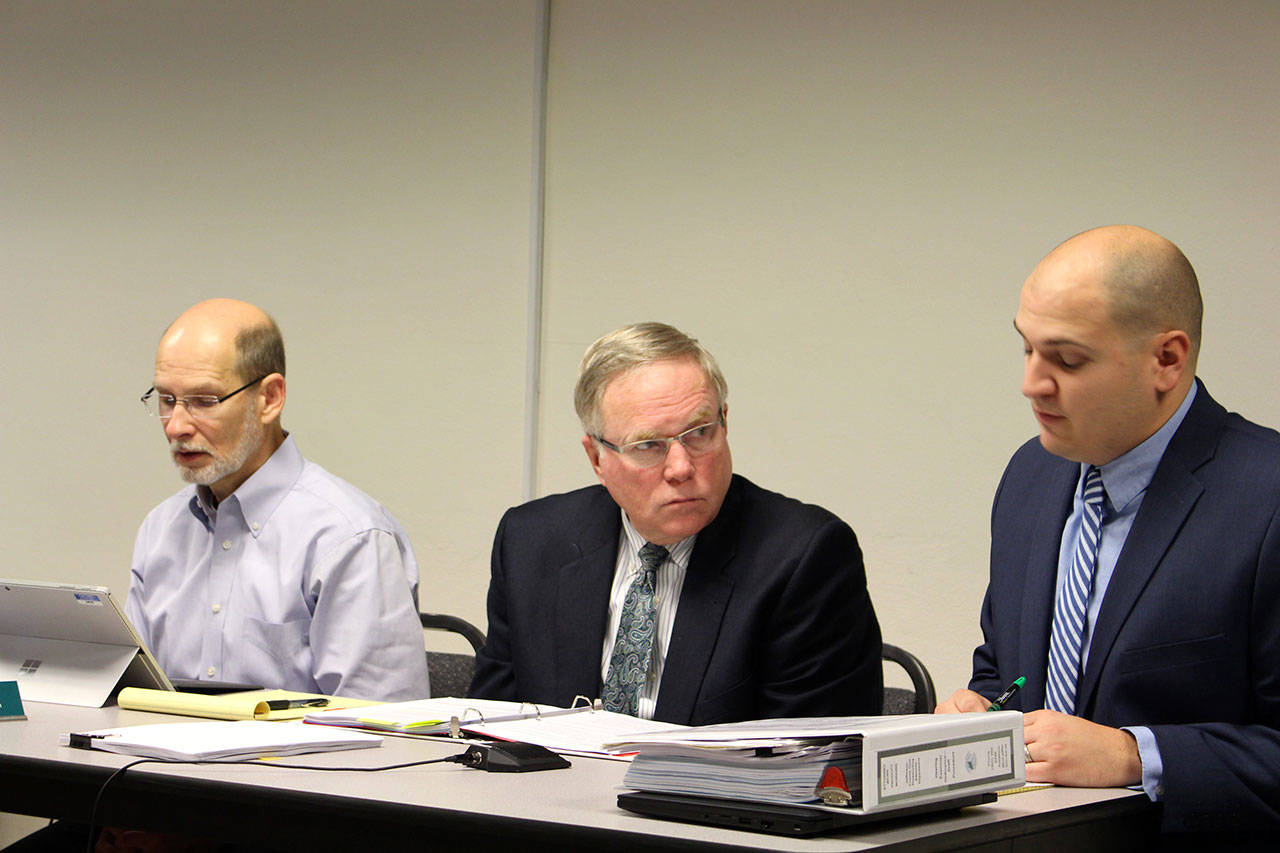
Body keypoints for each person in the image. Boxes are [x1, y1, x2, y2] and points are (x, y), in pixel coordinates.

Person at [937, 226, 1280, 836]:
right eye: (1027, 349)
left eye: (1068, 359)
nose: (1032, 384)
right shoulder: (1031, 476)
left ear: (1166, 360)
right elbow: (1009, 671)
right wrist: (985, 708)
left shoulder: (1266, 497)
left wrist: (1134, 756)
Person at [469, 322, 882, 725]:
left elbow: (808, 762)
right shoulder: (531, 542)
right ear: (597, 459)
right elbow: (492, 728)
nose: (681, 467)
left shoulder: (805, 557)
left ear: (725, 422)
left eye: (700, 433)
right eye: (648, 445)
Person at [127, 298, 429, 701]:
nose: (177, 426)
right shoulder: (161, 530)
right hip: (160, 762)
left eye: (204, 401)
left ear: (269, 398)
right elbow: (130, 696)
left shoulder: (347, 536)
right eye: (167, 401)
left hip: (300, 765)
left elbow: (384, 730)